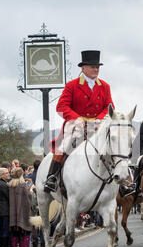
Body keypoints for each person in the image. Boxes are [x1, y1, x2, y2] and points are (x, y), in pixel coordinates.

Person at [44, 50, 115, 193]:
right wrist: (77, 119)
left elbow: (110, 106)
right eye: (92, 66)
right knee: (64, 145)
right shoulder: (72, 85)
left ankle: (124, 180)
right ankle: (52, 177)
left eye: (97, 67)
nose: (95, 69)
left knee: (115, 146)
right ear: (83, 68)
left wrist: (99, 120)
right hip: (76, 124)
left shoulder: (105, 86)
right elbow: (61, 107)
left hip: (97, 125)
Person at [8, 167, 34, 247]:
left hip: (13, 212)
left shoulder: (10, 185)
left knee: (15, 233)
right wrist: (31, 190)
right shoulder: (23, 185)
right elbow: (29, 197)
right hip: (23, 211)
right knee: (25, 231)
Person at [0, 167, 11, 247]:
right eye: (6, 173)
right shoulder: (3, 185)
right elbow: (9, 196)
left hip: (3, 210)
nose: (8, 174)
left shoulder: (3, 183)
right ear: (1, 175)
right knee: (4, 231)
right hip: (4, 210)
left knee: (4, 230)